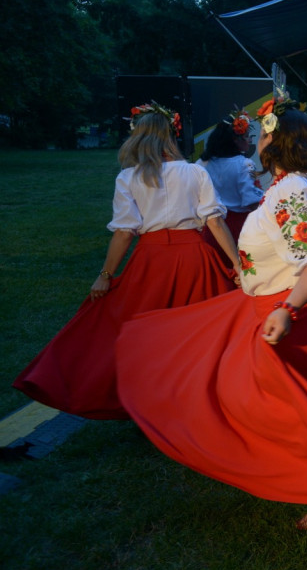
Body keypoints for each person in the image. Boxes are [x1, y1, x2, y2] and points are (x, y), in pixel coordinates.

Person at [114, 98, 307, 529]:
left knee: (275, 408)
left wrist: (287, 309)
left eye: (261, 134)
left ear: (277, 141)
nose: (256, 141)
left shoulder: (293, 190)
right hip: (270, 307)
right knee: (254, 398)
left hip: (291, 313)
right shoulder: (284, 187)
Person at [13, 102, 239, 419]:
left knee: (140, 333)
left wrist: (106, 274)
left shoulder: (129, 177)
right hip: (195, 258)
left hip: (151, 261)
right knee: (201, 332)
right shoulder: (195, 172)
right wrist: (237, 264)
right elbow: (214, 221)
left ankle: (148, 398)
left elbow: (124, 232)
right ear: (171, 135)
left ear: (137, 137)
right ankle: (198, 397)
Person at [197, 108, 263, 250]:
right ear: (235, 139)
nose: (250, 140)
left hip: (210, 229)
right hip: (238, 228)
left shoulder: (202, 163)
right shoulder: (244, 164)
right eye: (247, 136)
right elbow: (252, 201)